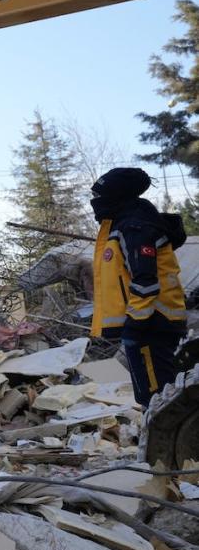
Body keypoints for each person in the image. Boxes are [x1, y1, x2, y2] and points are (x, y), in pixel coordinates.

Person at [90, 167, 188, 408]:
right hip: (147, 324)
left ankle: (171, 444)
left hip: (152, 324)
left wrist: (135, 325)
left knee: (159, 398)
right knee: (153, 395)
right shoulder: (121, 225)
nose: (95, 201)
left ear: (118, 195)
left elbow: (146, 281)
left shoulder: (136, 227)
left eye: (99, 194)